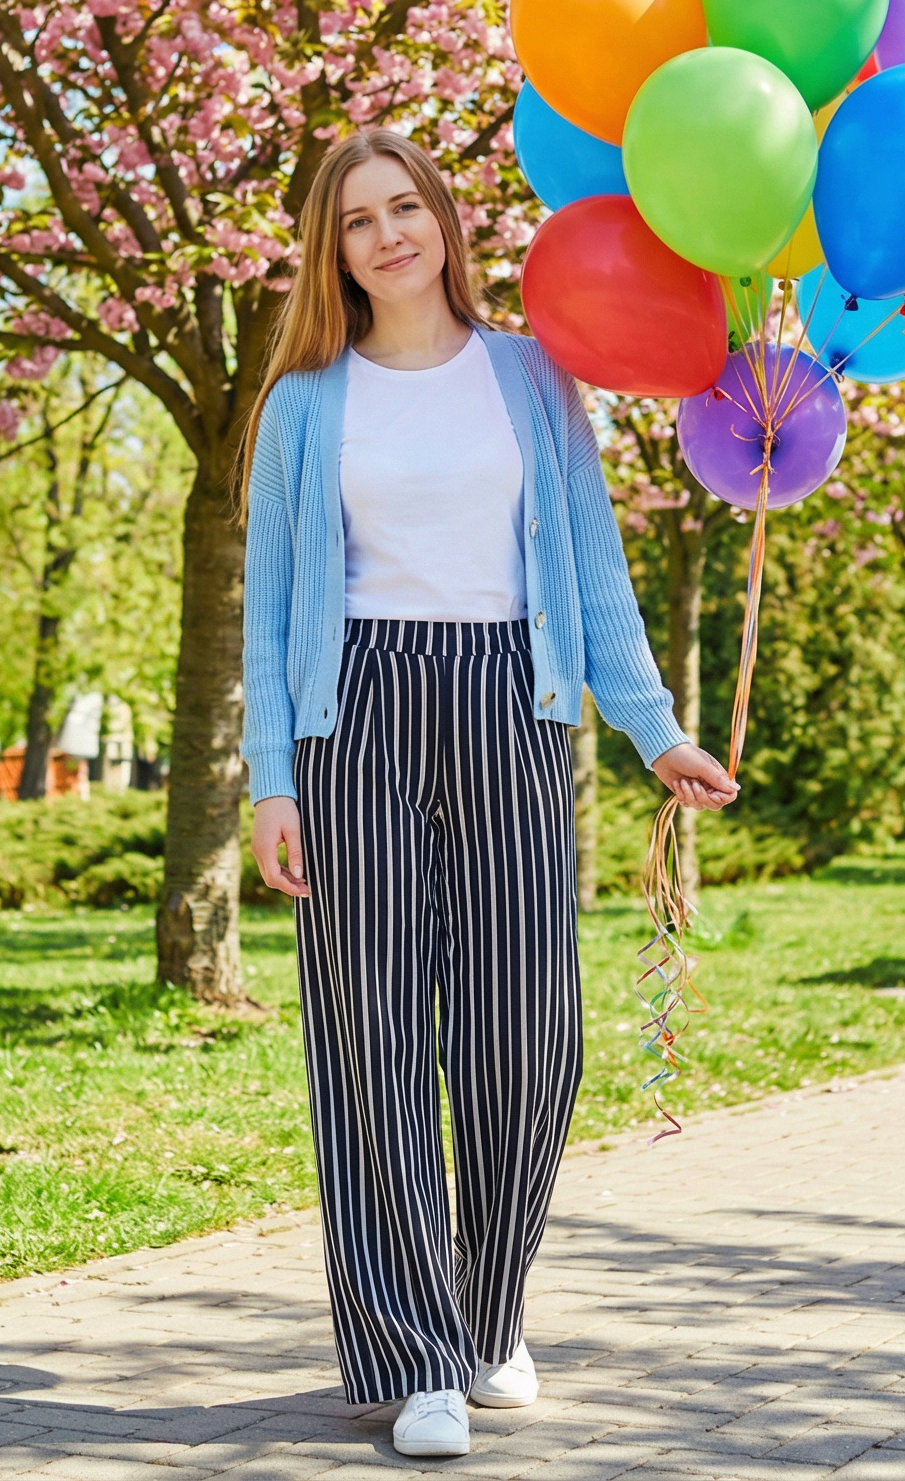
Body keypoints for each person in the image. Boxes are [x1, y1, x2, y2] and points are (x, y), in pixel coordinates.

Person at [242, 128, 737, 1461]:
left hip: (511, 698)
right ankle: (415, 1359)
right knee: (374, 1036)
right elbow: (270, 603)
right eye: (357, 220)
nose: (387, 235)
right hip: (354, 711)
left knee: (529, 1033)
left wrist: (654, 730)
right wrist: (273, 777)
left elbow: (590, 564)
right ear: (332, 251)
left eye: (405, 206)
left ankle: (487, 1309)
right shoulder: (302, 404)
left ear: (445, 222)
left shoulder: (530, 376)